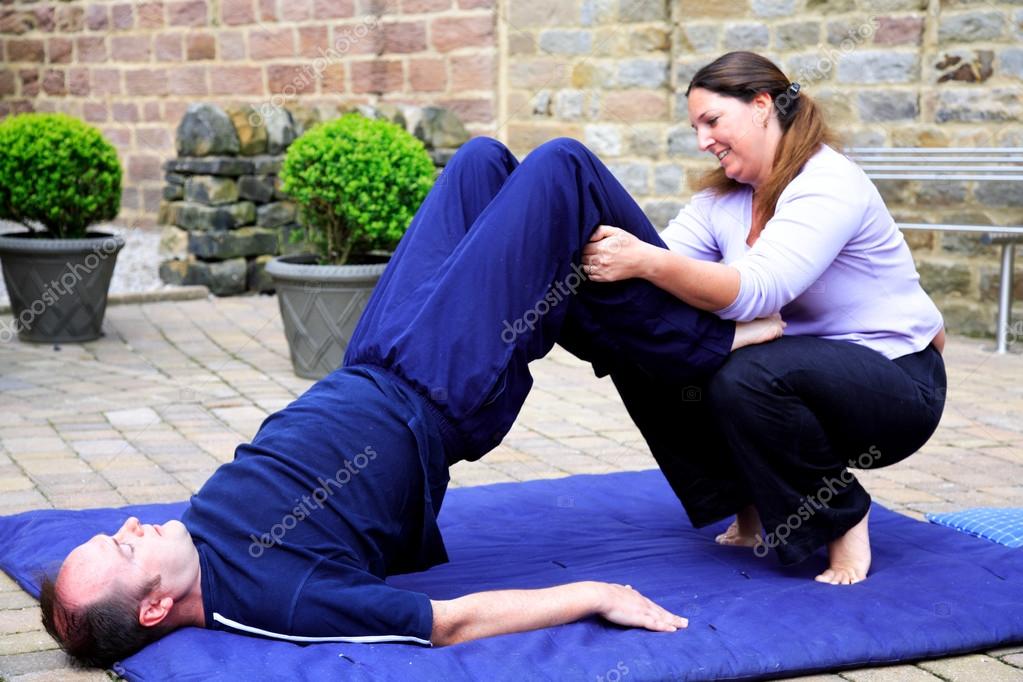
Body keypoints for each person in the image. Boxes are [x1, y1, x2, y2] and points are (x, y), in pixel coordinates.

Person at [40, 134, 784, 667]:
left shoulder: (193, 540)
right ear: (152, 608)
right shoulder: (279, 598)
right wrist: (593, 593)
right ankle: (706, 340)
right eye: (121, 546)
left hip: (373, 355)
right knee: (562, 169)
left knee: (481, 163)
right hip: (438, 387)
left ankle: (660, 378)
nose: (130, 524)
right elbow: (450, 624)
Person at [581, 51, 947, 586]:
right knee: (652, 351)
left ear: (760, 107)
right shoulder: (721, 200)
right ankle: (743, 497)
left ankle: (844, 516)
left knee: (744, 372)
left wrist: (650, 261)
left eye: (712, 121)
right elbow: (663, 274)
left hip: (895, 384)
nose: (702, 139)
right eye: (695, 127)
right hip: (797, 374)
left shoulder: (827, 182)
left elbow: (756, 290)